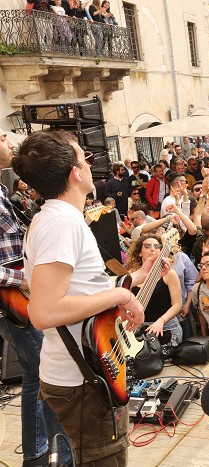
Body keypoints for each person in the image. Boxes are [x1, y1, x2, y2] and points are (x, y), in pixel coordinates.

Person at [12, 130, 165, 465]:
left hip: (88, 368)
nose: (90, 164)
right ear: (75, 173)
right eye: (86, 158)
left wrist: (135, 278)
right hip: (81, 378)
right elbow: (44, 311)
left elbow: (82, 288)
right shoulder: (60, 224)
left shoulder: (61, 219)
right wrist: (120, 294)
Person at [0, 130, 72, 466]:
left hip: (19, 302)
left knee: (33, 377)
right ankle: (60, 455)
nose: (6, 136)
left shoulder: (3, 192)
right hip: (14, 304)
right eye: (0, 136)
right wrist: (24, 280)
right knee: (52, 380)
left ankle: (36, 452)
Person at [127, 234, 183, 344]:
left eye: (157, 246)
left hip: (166, 326)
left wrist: (161, 321)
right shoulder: (131, 275)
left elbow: (177, 304)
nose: (152, 249)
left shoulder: (169, 274)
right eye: (147, 246)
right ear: (139, 252)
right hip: (140, 328)